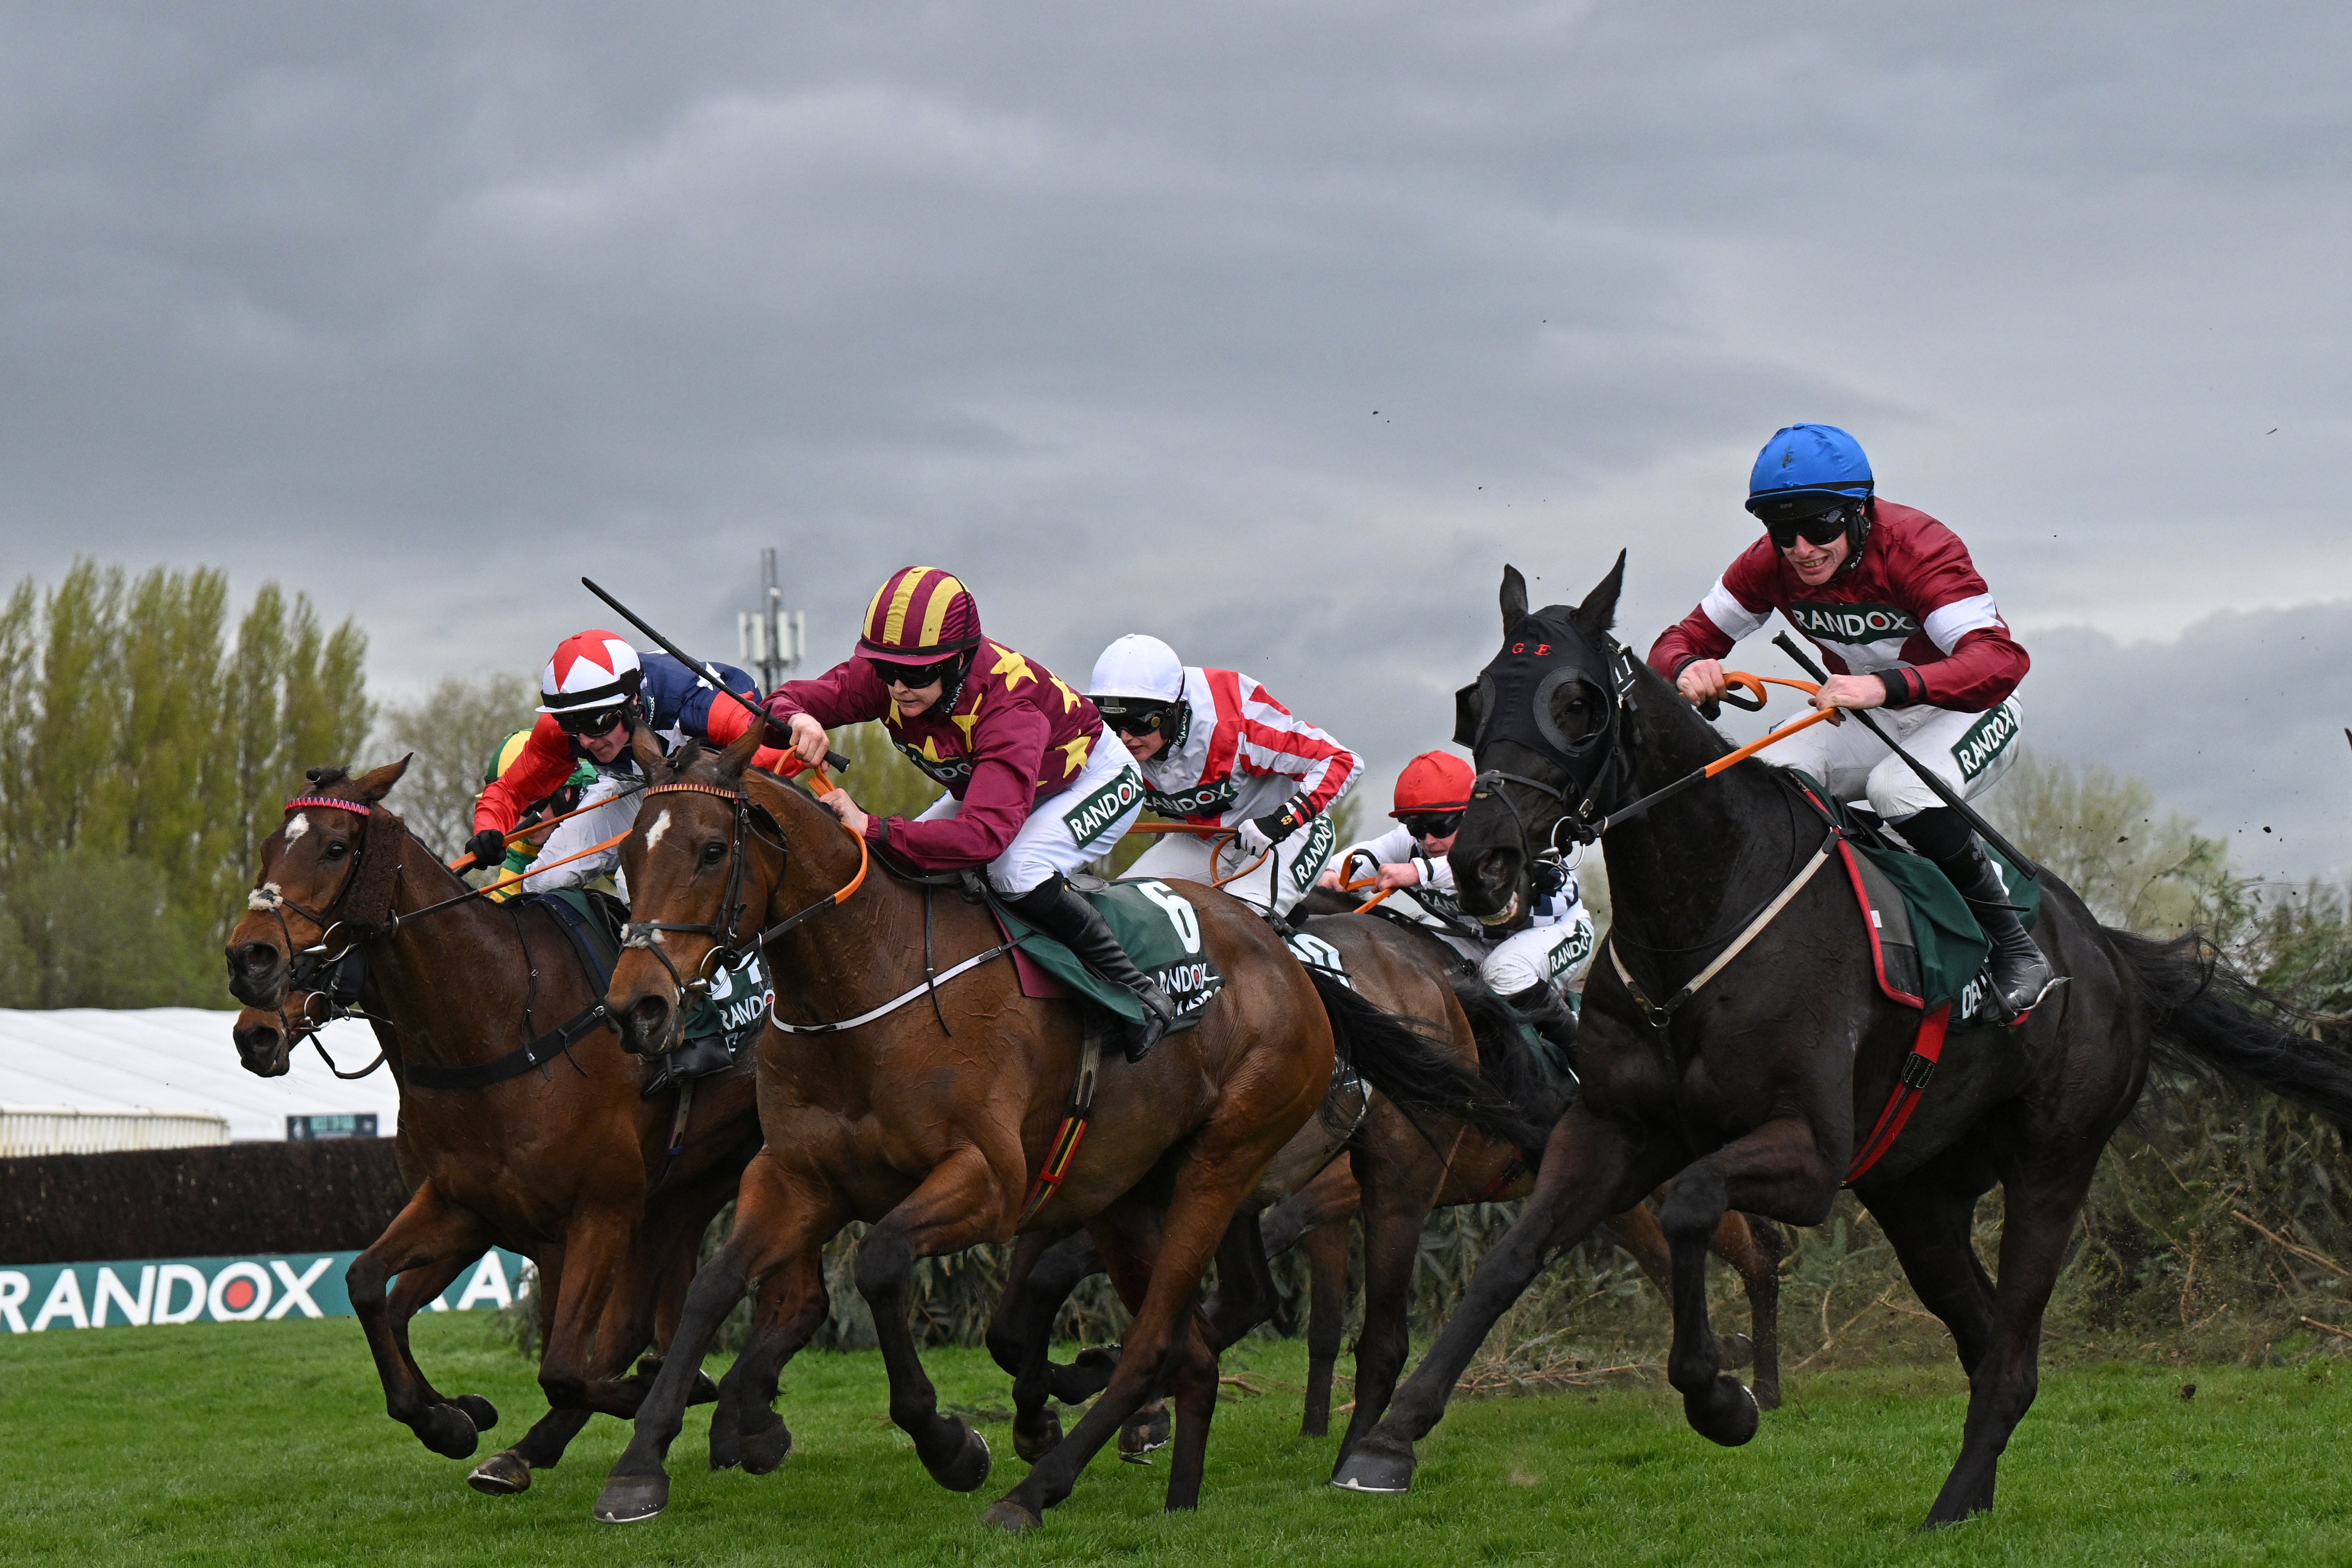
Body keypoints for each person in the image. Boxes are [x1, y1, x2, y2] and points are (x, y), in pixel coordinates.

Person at [1649, 422, 2053, 1020]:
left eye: (1819, 526)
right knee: (1770, 778)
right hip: (1867, 714)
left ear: (1860, 510)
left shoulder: (1919, 548)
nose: (1801, 549)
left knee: (1898, 790)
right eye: (1781, 530)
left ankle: (2018, 951)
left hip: (1968, 708)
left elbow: (1998, 662)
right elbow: (1675, 642)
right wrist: (1688, 668)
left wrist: (1883, 685)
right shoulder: (1767, 564)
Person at [764, 567, 1176, 1060]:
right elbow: (777, 703)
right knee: (904, 860)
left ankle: (1138, 995)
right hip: (996, 778)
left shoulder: (1010, 707)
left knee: (1013, 870)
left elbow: (983, 838)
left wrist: (869, 824)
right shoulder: (890, 674)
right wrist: (796, 718)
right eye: (884, 669)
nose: (896, 687)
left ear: (958, 661)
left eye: (916, 674)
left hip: (1092, 777)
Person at [1319, 750, 1592, 1053]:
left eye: (1440, 825)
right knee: (1417, 959)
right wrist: (1331, 873)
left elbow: (1471, 868)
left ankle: (1585, 1056)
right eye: (1416, 827)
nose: (1429, 839)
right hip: (1479, 940)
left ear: (1469, 813)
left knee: (1505, 970)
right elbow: (1368, 853)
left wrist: (1417, 872)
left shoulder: (1500, 835)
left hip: (1563, 930)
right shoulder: (1415, 843)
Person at [463, 629, 787, 879]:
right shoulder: (560, 732)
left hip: (707, 797)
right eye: (570, 724)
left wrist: (803, 735)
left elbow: (780, 754)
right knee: (544, 878)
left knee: (637, 883)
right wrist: (487, 830)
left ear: (633, 702)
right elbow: (510, 791)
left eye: (597, 722)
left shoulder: (699, 708)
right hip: (636, 789)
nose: (586, 740)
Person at [1086, 634, 1361, 922]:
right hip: (1200, 841)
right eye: (1112, 722)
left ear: (1175, 709)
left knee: (1238, 926)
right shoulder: (1100, 738)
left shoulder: (1236, 721)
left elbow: (1342, 760)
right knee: (1117, 912)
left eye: (1140, 722)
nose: (1125, 737)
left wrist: (1280, 822)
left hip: (1288, 835)